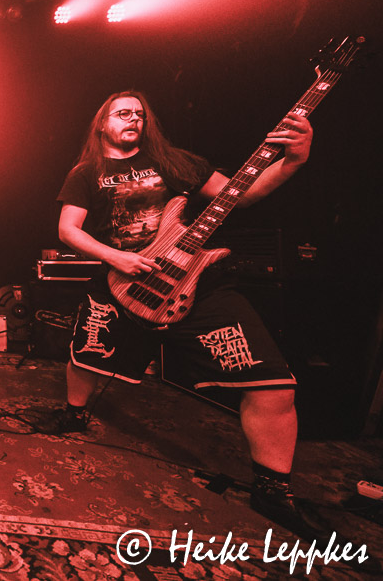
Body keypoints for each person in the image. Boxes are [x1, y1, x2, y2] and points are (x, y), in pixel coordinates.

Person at [55, 91, 320, 538]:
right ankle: (73, 414)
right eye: (123, 113)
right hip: (123, 281)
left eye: (140, 114)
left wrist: (293, 161)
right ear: (102, 123)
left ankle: (273, 488)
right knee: (86, 355)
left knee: (273, 383)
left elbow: (244, 194)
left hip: (196, 282)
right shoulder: (87, 173)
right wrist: (116, 258)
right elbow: (67, 229)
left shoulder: (175, 162)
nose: (133, 119)